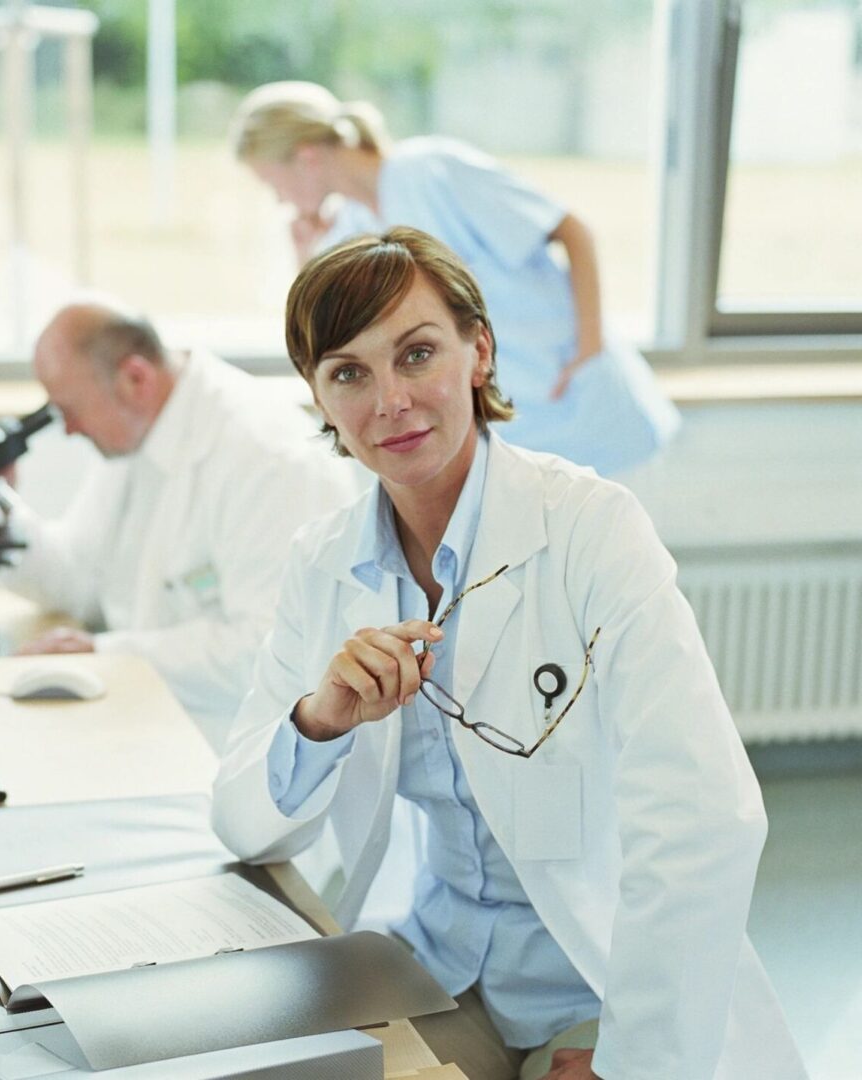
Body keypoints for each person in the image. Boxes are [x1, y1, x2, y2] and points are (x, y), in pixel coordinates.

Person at [211, 229, 804, 1080]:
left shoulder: (591, 531)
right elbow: (240, 820)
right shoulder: (324, 560)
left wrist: (632, 1061)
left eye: (417, 354)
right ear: (318, 396)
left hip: (599, 985)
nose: (390, 402)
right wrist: (321, 720)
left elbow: (705, 817)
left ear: (478, 351)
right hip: (435, 970)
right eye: (348, 372)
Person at [230, 81, 680, 478]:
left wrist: (589, 352)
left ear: (306, 158)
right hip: (521, 423)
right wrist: (304, 255)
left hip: (581, 391)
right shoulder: (354, 226)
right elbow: (332, 337)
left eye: (274, 183)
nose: (279, 200)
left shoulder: (430, 171)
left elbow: (573, 231)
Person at [0, 298, 358, 747]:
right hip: (153, 716)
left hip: (237, 745)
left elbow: (268, 649)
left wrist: (106, 652)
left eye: (69, 409)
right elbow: (79, 578)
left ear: (135, 378)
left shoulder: (265, 456)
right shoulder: (135, 434)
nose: (68, 429)